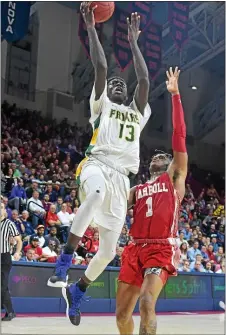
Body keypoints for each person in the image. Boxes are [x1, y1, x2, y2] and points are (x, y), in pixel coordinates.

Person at [47, 3, 151, 327]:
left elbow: (145, 80)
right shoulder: (101, 104)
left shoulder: (137, 111)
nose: (117, 84)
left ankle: (77, 292)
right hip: (96, 163)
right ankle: (64, 261)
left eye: (122, 84)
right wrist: (91, 27)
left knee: (108, 252)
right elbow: (102, 68)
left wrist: (134, 42)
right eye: (113, 85)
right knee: (92, 197)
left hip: (122, 181)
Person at [116, 67, 188, 335]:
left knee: (147, 302)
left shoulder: (174, 179)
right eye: (155, 155)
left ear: (170, 164)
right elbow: (115, 209)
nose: (159, 155)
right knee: (122, 315)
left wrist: (175, 96)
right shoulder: (136, 189)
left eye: (163, 155)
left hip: (160, 248)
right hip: (134, 249)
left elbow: (179, 136)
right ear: (149, 165)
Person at [1, 202, 22, 321]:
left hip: (4, 257)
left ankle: (10, 312)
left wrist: (17, 252)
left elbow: (19, 240)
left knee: (2, 286)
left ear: (5, 211)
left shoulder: (9, 224)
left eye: (1, 208)